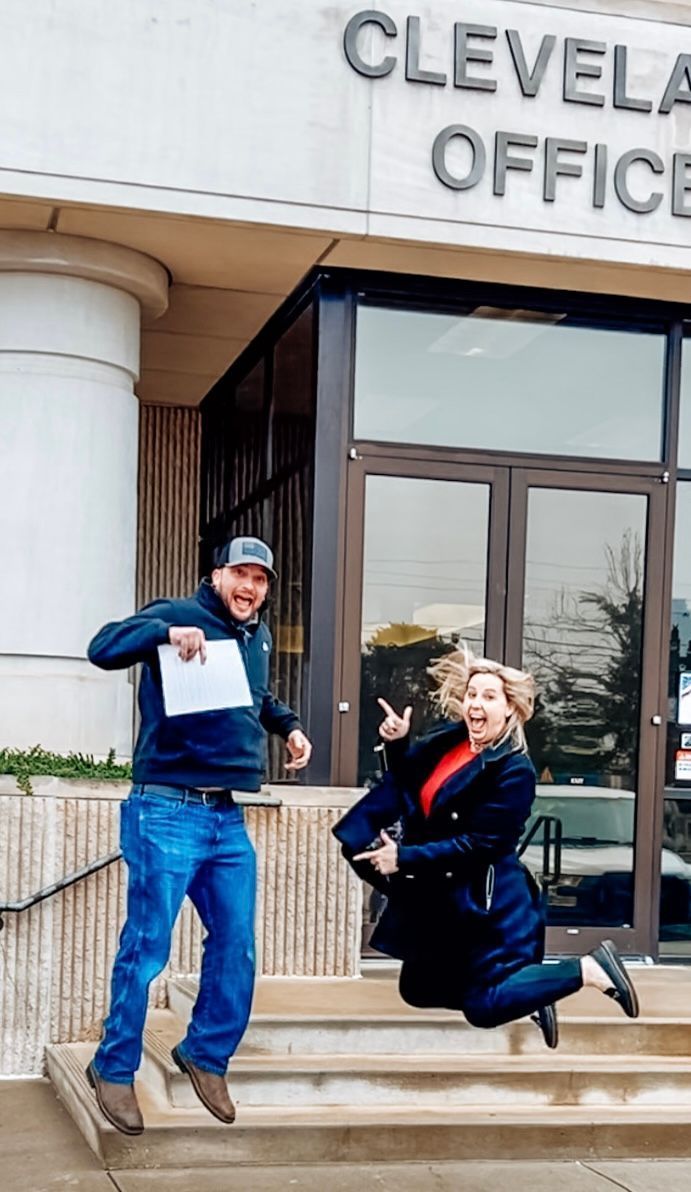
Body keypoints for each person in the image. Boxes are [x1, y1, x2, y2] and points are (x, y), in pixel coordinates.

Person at [84, 536, 312, 1135]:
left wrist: (289, 727)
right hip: (165, 809)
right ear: (217, 576)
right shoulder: (179, 614)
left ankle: (206, 1053)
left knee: (237, 943)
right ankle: (113, 1066)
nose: (251, 587)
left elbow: (257, 697)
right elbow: (102, 647)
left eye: (261, 579)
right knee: (147, 946)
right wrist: (163, 635)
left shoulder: (257, 636)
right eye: (241, 574)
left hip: (226, 817)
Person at [333, 648, 639, 1048]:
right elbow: (411, 786)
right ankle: (530, 990)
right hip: (444, 894)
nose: (476, 704)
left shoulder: (514, 770)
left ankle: (587, 968)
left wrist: (403, 857)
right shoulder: (450, 740)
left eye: (489, 696)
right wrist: (397, 743)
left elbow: (479, 846)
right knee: (418, 988)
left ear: (510, 709)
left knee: (484, 1006)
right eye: (472, 694)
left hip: (489, 901)